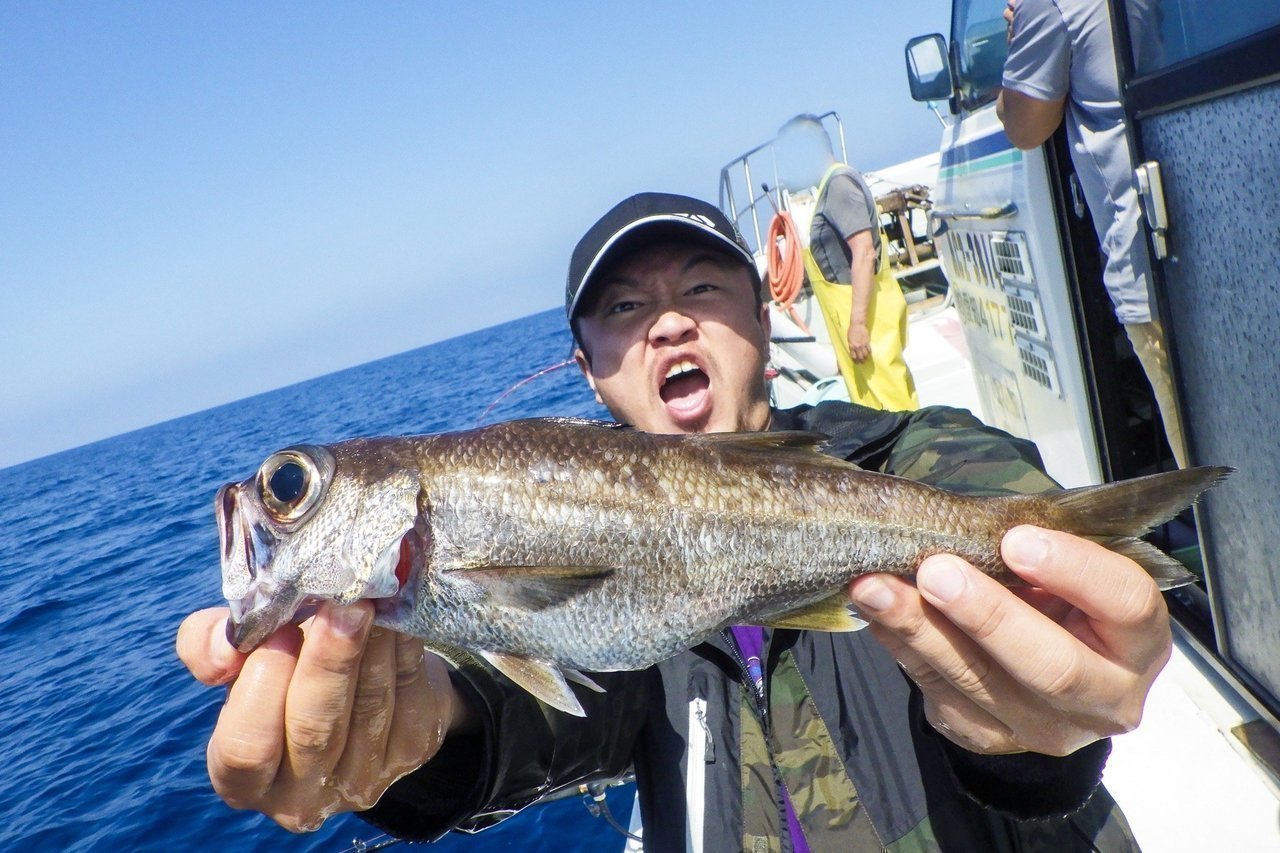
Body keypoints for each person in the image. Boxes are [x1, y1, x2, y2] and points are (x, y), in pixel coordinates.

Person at [177, 192, 1180, 850]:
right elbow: (522, 696)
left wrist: (1037, 725)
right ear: (587, 368)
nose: (664, 320)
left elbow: (988, 496)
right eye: (621, 309)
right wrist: (410, 734)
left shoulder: (917, 453)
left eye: (700, 287)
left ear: (759, 311)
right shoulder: (539, 524)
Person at [997, 0, 1188, 468]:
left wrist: (1017, 37)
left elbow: (1023, 125)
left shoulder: (1048, 6)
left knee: (1207, 456)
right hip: (1225, 226)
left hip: (1152, 257)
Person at [778, 114, 919, 411]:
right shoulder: (829, 188)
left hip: (868, 324)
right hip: (856, 323)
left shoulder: (839, 185)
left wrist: (857, 325)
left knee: (893, 406)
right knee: (874, 407)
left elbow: (865, 252)